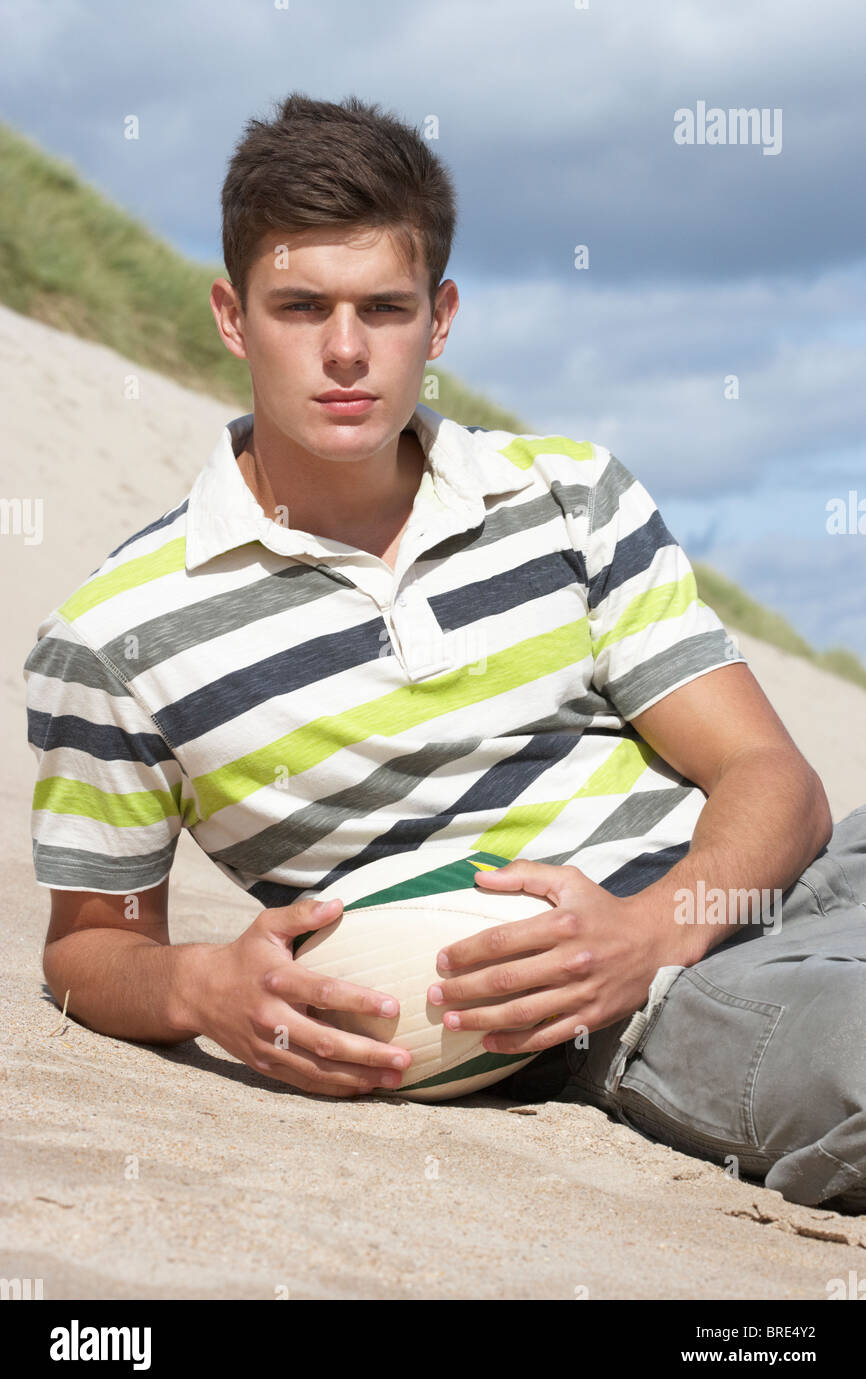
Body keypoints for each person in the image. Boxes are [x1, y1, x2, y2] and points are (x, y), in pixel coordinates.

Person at [24, 93, 866, 1212]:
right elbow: (87, 948)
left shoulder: (568, 493)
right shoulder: (114, 634)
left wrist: (645, 928)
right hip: (633, 1014)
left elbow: (772, 780)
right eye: (299, 306)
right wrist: (198, 988)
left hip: (785, 884)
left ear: (440, 316)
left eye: (383, 306)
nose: (343, 350)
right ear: (231, 317)